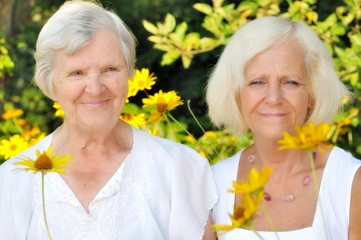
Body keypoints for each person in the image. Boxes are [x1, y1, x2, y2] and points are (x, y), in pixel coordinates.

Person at [0, 1, 218, 239]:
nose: (95, 88)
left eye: (110, 69)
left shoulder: (180, 170)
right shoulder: (12, 181)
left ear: (129, 73)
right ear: (50, 83)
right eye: (77, 73)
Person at [206, 16, 361, 240]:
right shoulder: (213, 185)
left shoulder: (351, 183)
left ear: (312, 95)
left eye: (291, 82)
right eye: (257, 82)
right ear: (237, 95)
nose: (274, 98)